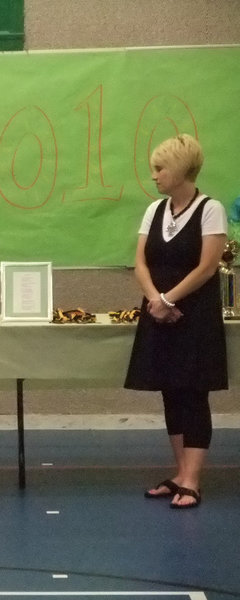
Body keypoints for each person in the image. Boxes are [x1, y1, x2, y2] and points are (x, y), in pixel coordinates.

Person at [124, 134, 228, 509]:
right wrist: (155, 298)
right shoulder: (154, 211)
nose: (154, 175)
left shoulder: (210, 208)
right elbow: (140, 262)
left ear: (181, 170)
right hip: (159, 312)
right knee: (170, 391)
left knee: (193, 393)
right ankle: (180, 471)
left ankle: (193, 480)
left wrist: (170, 298)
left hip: (193, 315)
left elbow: (207, 266)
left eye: (160, 168)